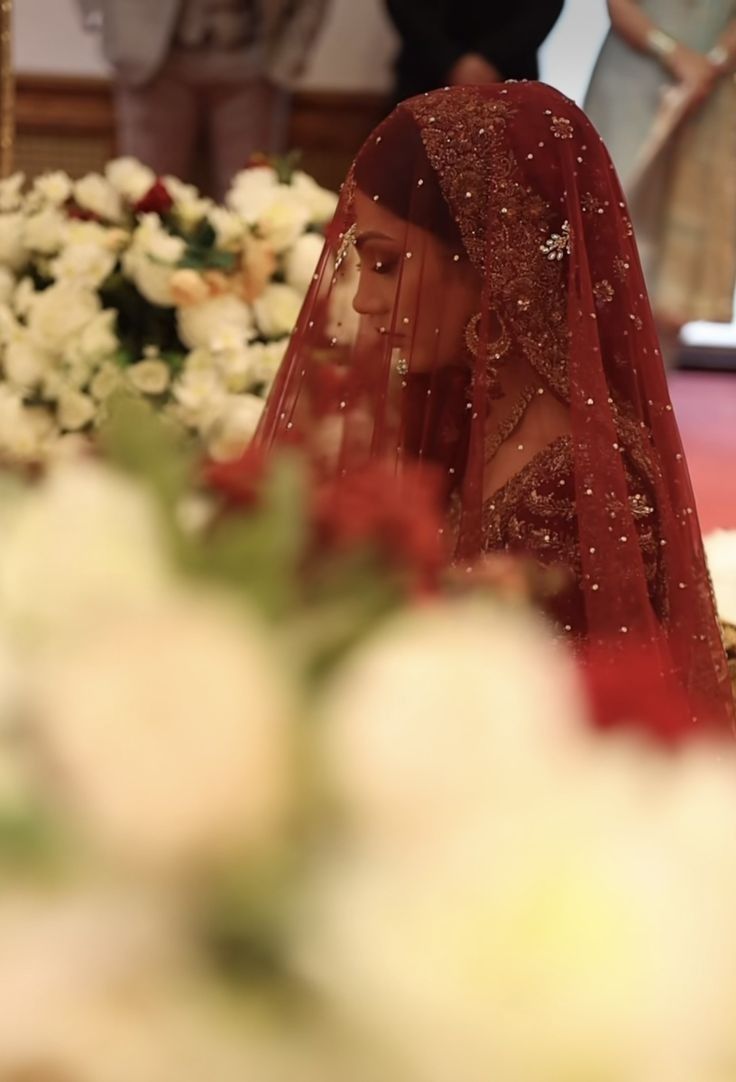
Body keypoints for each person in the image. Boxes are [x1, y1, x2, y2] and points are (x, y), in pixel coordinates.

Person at [256, 81, 734, 728]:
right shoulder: (468, 403)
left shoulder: (579, 487)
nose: (364, 303)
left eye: (386, 264)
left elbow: (576, 741)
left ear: (490, 262)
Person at [584, 0, 736, 361]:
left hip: (714, 87)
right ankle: (585, 389)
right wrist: (675, 55)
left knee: (681, 254)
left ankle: (655, 398)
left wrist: (713, 61)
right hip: (633, 77)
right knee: (605, 226)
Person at [77, 0, 330, 198]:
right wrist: (103, 23)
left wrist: (293, 49)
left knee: (253, 205)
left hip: (254, 55)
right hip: (153, 61)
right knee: (146, 199)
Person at [384, 0, 565, 101]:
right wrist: (448, 61)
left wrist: (492, 57)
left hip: (510, 82)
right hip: (423, 78)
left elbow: (543, 8)